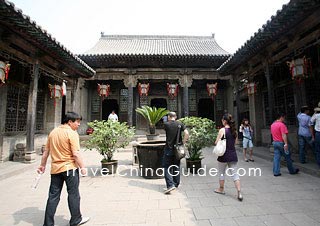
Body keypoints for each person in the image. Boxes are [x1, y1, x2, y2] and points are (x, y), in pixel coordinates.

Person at [38, 112, 90, 226]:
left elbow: (46, 151)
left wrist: (42, 165)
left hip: (55, 169)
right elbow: (75, 153)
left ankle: (48, 223)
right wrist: (82, 167)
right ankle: (76, 219)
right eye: (77, 122)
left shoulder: (53, 132)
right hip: (69, 168)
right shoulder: (71, 133)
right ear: (70, 122)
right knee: (73, 194)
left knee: (53, 197)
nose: (78, 124)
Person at [214, 113, 243, 201]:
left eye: (222, 120)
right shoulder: (234, 131)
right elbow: (236, 143)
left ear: (225, 121)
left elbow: (216, 142)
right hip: (232, 154)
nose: (222, 121)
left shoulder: (222, 130)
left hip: (223, 155)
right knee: (235, 174)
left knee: (222, 173)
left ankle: (221, 189)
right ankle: (239, 192)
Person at [163, 112, 189, 194]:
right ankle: (176, 183)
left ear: (169, 117)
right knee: (176, 166)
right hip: (177, 149)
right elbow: (187, 133)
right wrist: (183, 142)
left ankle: (170, 185)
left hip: (169, 149)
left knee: (166, 167)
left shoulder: (166, 124)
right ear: (176, 117)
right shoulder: (180, 124)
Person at [271, 112, 299, 176]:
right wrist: (286, 144)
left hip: (275, 142)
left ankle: (276, 172)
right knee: (288, 157)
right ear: (281, 117)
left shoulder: (272, 125)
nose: (284, 119)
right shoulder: (282, 125)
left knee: (276, 157)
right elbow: (284, 135)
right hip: (281, 143)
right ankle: (292, 170)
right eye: (284, 117)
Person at [310, 102, 320, 168]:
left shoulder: (316, 115)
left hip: (318, 133)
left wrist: (315, 112)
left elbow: (311, 122)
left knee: (318, 149)